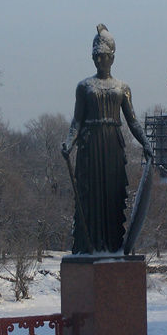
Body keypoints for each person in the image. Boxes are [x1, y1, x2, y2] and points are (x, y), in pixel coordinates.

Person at [62, 24, 153, 254]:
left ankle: (112, 245)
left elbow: (132, 121)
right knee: (90, 196)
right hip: (90, 148)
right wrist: (68, 142)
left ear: (112, 58)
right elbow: (76, 122)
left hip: (112, 147)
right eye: (96, 57)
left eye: (103, 56)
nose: (99, 61)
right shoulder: (84, 87)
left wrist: (146, 143)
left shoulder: (122, 88)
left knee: (112, 196)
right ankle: (89, 246)